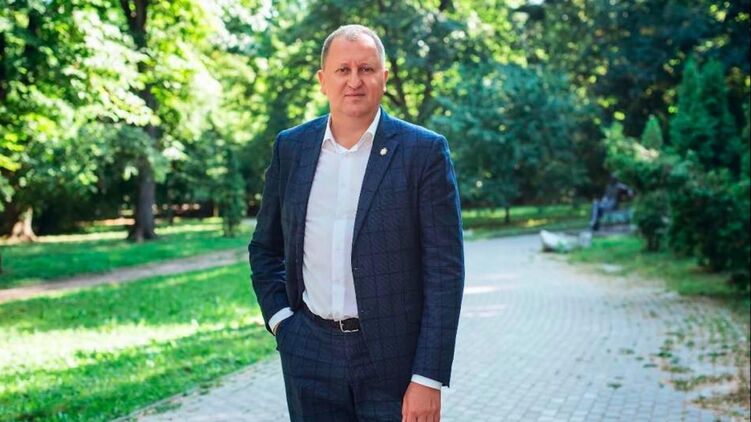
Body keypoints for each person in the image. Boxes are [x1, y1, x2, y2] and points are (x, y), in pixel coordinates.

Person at [248, 24, 464, 421]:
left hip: (395, 363)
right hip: (309, 353)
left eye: (366, 69)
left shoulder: (424, 152)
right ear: (322, 80)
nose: (354, 81)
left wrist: (428, 377)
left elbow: (444, 272)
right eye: (342, 70)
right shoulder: (291, 148)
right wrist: (282, 324)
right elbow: (265, 248)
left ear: (384, 77)